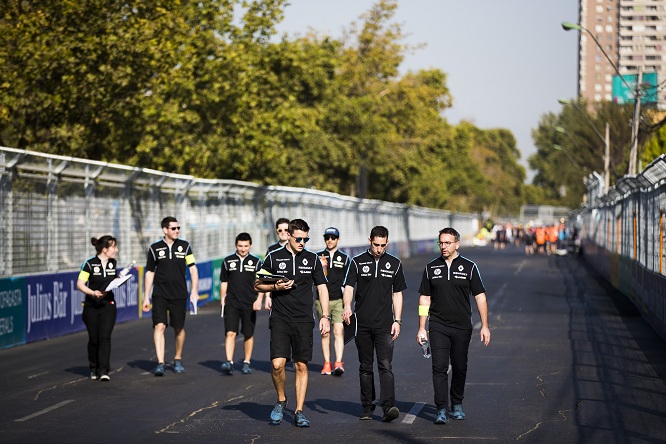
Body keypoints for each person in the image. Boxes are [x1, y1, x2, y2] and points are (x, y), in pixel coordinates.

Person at [254, 218, 330, 428]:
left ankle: (299, 411)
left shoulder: (312, 259)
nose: (302, 243)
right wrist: (276, 288)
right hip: (280, 318)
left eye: (306, 239)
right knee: (277, 364)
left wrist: (325, 316)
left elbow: (322, 288)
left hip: (304, 319)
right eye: (299, 238)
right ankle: (281, 400)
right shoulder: (273, 257)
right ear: (288, 235)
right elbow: (258, 284)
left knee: (301, 365)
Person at [416, 227, 490, 425]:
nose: (443, 246)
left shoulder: (469, 267)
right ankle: (441, 408)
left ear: (457, 244)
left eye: (447, 243)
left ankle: (456, 404)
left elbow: (480, 296)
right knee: (439, 367)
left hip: (462, 326)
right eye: (441, 243)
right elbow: (424, 298)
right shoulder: (431, 268)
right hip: (438, 325)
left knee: (459, 366)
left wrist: (485, 325)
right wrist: (422, 327)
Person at [342, 226, 406, 423]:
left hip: (385, 325)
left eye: (383, 245)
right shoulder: (357, 262)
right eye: (376, 244)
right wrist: (346, 306)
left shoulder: (394, 263)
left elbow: (397, 294)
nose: (379, 248)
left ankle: (388, 408)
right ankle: (367, 407)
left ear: (387, 242)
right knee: (365, 366)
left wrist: (397, 320)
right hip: (362, 324)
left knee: (385, 365)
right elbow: (349, 287)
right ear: (369, 240)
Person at [142, 216, 199, 376]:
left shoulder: (185, 246)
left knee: (179, 329)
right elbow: (150, 272)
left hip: (179, 294)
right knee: (159, 326)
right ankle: (160, 362)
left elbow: (193, 269)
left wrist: (194, 290)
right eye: (173, 228)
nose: (177, 231)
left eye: (178, 228)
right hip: (160, 294)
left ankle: (178, 358)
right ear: (165, 230)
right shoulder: (154, 248)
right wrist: (146, 296)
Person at [77, 236, 120, 381]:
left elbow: (112, 280)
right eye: (113, 247)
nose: (116, 250)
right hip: (91, 306)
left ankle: (104, 370)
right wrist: (92, 293)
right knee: (94, 339)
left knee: (105, 337)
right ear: (105, 249)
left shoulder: (113, 263)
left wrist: (120, 279)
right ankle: (93, 366)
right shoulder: (89, 264)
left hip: (108, 305)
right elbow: (80, 284)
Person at [220, 233, 264, 375]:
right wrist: (222, 298)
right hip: (232, 303)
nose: (243, 249)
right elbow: (224, 282)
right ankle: (229, 362)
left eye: (246, 246)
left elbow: (261, 283)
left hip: (249, 304)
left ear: (250, 246)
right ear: (235, 245)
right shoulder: (228, 261)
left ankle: (246, 362)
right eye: (240, 246)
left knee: (248, 334)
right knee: (230, 333)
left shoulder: (256, 262)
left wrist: (259, 299)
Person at [315, 227, 350, 376]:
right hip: (321, 301)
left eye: (333, 238)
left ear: (338, 240)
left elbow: (349, 282)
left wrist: (347, 302)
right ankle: (327, 363)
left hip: (338, 300)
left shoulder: (345, 258)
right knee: (325, 333)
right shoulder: (317, 257)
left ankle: (338, 362)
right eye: (327, 238)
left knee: (338, 331)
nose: (330, 240)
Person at [264, 217, 290, 311]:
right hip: (276, 296)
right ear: (277, 232)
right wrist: (267, 296)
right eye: (280, 230)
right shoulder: (271, 250)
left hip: (294, 296)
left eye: (286, 230)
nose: (283, 232)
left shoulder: (297, 248)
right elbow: (267, 274)